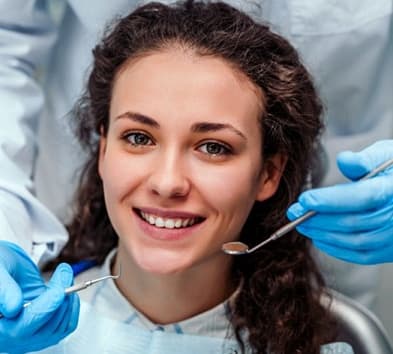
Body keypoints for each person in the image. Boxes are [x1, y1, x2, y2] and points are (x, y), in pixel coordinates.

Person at [0, 0, 391, 350]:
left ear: (269, 173)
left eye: (214, 147)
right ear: (103, 149)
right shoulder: (26, 335)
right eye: (138, 137)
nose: (167, 183)